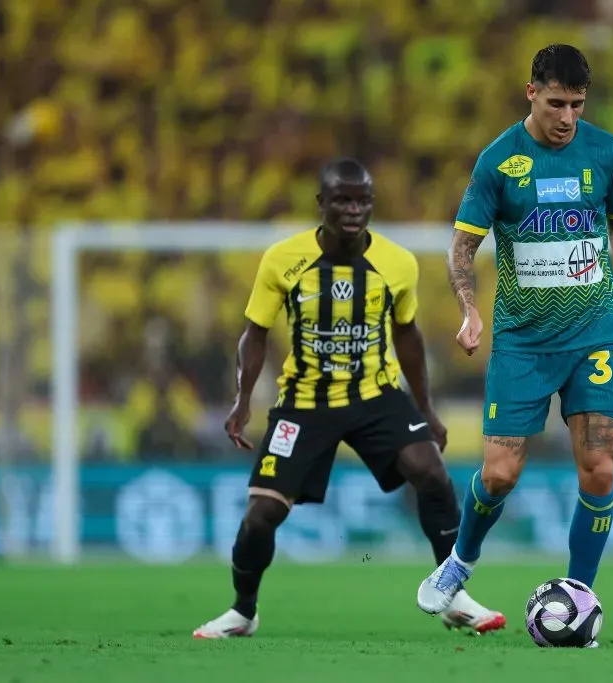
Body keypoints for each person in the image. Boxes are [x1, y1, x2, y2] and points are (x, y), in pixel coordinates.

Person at [194, 158, 504, 638]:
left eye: (362, 201)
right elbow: (254, 334)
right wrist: (242, 399)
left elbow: (408, 337)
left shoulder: (396, 263)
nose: (353, 210)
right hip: (304, 401)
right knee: (262, 515)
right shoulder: (283, 260)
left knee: (431, 472)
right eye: (342, 200)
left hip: (375, 394)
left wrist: (424, 408)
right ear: (322, 204)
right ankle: (243, 610)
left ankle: (450, 592)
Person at [416, 45, 613, 646]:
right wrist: (470, 310)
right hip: (522, 341)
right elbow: (462, 246)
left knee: (599, 468)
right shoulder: (499, 162)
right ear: (531, 93)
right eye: (556, 103)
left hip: (595, 331)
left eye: (576, 105)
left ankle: (578, 600)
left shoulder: (606, 152)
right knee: (499, 474)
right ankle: (460, 563)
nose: (567, 116)